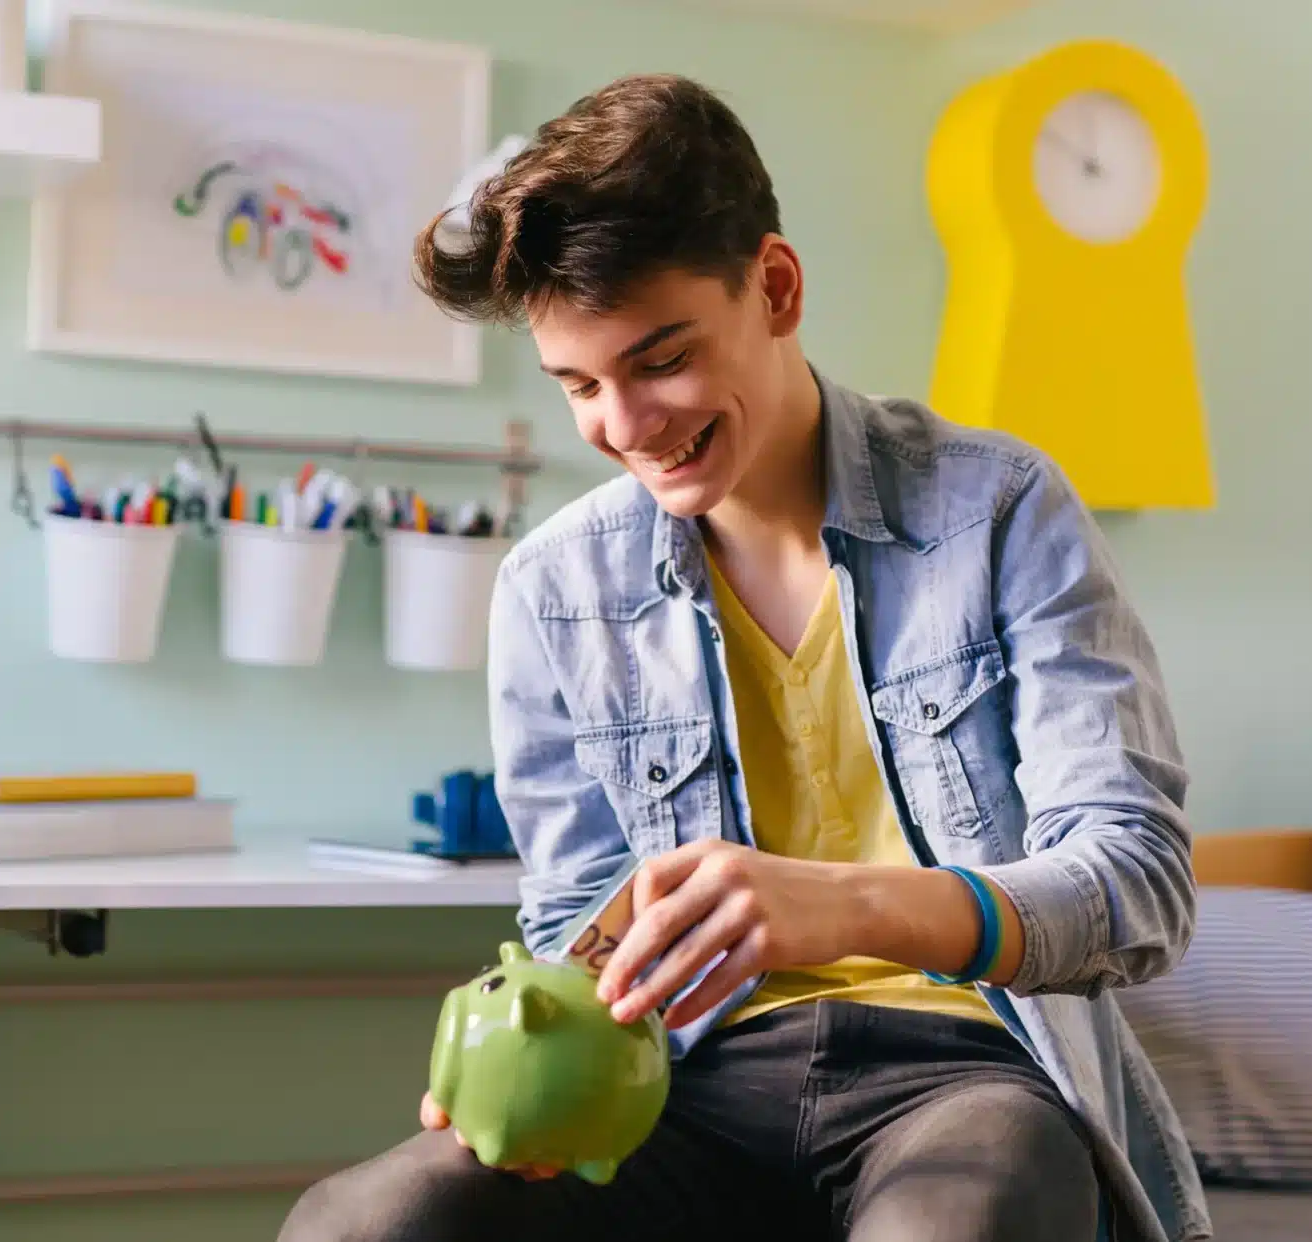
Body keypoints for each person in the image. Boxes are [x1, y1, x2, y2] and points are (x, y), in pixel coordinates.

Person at [278, 72, 1208, 1242]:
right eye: (580, 385)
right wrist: (530, 1043)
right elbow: (577, 918)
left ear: (773, 287)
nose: (625, 425)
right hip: (685, 1085)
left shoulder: (998, 510)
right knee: (371, 1221)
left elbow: (1136, 884)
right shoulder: (554, 588)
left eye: (660, 360)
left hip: (970, 1074)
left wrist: (842, 906)